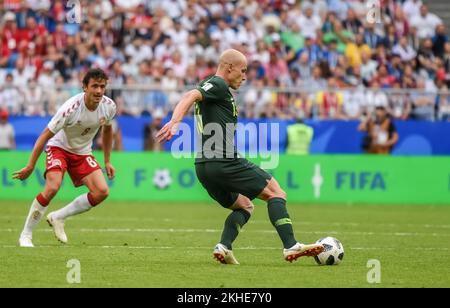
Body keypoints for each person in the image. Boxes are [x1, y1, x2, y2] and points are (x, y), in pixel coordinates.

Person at [157, 49, 324, 264]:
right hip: (224, 161)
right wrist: (175, 122)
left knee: (245, 205)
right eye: (243, 71)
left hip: (204, 166)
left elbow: (195, 95)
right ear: (229, 68)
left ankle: (224, 247)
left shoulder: (211, 85)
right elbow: (190, 95)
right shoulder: (217, 84)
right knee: (276, 193)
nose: (245, 77)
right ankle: (290, 245)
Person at [13, 69, 117, 248]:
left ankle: (58, 217)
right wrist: (30, 165)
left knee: (101, 191)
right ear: (85, 87)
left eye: (102, 86)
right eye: (94, 86)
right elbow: (44, 136)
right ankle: (26, 235)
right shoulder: (70, 108)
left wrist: (107, 160)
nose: (99, 91)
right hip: (59, 147)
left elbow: (107, 131)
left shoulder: (109, 106)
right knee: (52, 187)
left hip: (83, 152)